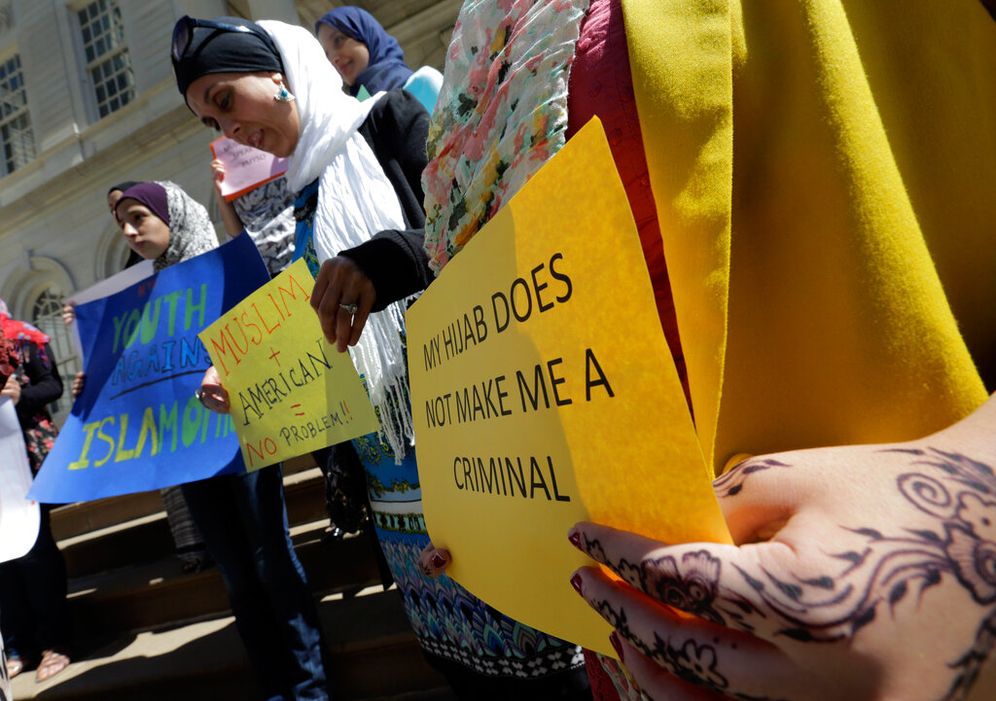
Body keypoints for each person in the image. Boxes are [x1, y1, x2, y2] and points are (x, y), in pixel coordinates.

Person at [403, 0, 994, 698]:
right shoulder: (485, 21)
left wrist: (973, 507)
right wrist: (489, 528)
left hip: (910, 623)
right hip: (642, 651)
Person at [170, 16, 591, 699]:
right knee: (463, 670)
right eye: (209, 123)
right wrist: (252, 379)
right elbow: (331, 335)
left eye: (225, 100)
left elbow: (486, 231)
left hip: (485, 460)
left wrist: (387, 258)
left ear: (280, 72)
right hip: (398, 500)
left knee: (544, 669)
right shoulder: (299, 200)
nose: (229, 131)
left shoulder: (391, 121)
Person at [113, 181, 331, 701]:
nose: (128, 231)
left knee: (270, 558)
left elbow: (270, 338)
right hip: (189, 452)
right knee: (236, 572)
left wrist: (228, 367)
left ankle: (309, 689)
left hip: (243, 438)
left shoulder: (228, 266)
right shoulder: (138, 296)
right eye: (122, 222)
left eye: (139, 217)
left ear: (174, 215)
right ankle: (276, 686)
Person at [0, 299, 72, 683]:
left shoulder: (23, 337)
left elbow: (53, 386)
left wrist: (17, 397)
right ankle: (15, 644)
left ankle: (53, 641)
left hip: (25, 456)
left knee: (34, 548)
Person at [315, 6, 443, 112]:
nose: (333, 60)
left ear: (366, 35)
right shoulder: (352, 117)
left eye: (338, 40)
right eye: (326, 55)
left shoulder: (423, 85)